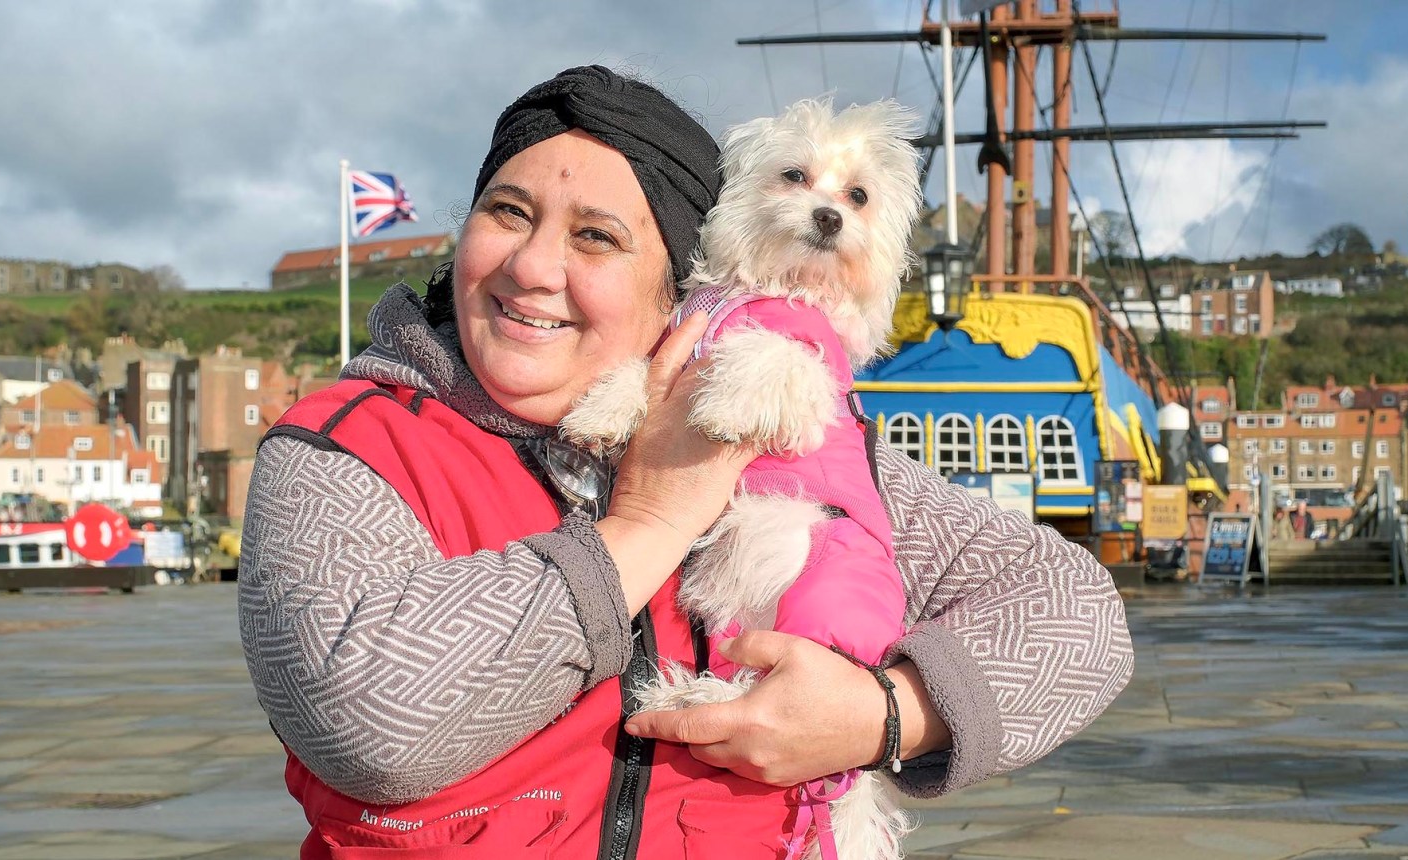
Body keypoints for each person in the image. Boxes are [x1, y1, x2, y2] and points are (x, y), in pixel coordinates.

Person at [239, 65, 1134, 857]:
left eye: (596, 236)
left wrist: (879, 715)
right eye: (508, 212)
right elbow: (371, 727)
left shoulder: (786, 439)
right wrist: (650, 523)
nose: (534, 265)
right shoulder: (343, 449)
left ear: (677, 290)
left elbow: (1082, 622)